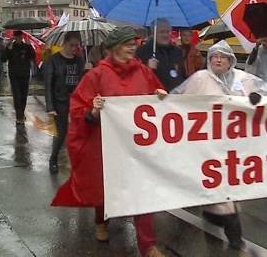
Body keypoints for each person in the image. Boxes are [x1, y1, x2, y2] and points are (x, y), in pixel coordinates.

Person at [51, 26, 166, 257]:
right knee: (103, 186)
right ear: (114, 48)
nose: (133, 47)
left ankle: (148, 245)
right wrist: (93, 112)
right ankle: (100, 220)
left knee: (141, 190)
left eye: (134, 44)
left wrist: (161, 95)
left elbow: (157, 94)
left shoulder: (143, 72)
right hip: (105, 144)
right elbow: (79, 109)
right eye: (127, 44)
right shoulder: (96, 75)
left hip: (136, 146)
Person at [172, 40, 267, 249]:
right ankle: (235, 237)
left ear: (230, 61)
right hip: (207, 146)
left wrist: (255, 99)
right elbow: (177, 102)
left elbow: (263, 99)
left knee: (226, 190)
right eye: (214, 56)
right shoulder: (200, 79)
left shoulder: (242, 80)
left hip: (234, 146)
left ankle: (214, 220)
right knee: (221, 191)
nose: (218, 60)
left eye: (223, 57)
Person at [45, 31, 85, 174]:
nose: (74, 48)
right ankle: (53, 158)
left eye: (77, 45)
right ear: (65, 44)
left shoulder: (79, 60)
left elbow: (82, 81)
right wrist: (50, 106)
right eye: (71, 45)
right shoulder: (54, 60)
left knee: (79, 132)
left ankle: (78, 162)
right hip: (59, 101)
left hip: (76, 101)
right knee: (61, 133)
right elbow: (48, 84)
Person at [136, 18, 186, 91]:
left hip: (175, 96)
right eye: (162, 32)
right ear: (153, 33)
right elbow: (136, 78)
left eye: (168, 31)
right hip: (154, 97)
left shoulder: (177, 51)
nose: (165, 35)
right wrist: (147, 67)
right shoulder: (142, 51)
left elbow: (182, 74)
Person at [3, 30, 36, 124]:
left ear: (22, 37)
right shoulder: (11, 47)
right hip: (14, 75)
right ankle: (19, 116)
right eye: (16, 37)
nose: (18, 39)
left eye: (20, 37)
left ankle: (21, 113)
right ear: (14, 37)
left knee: (23, 96)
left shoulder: (26, 46)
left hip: (25, 74)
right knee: (16, 96)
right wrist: (7, 48)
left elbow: (32, 56)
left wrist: (30, 46)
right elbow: (3, 58)